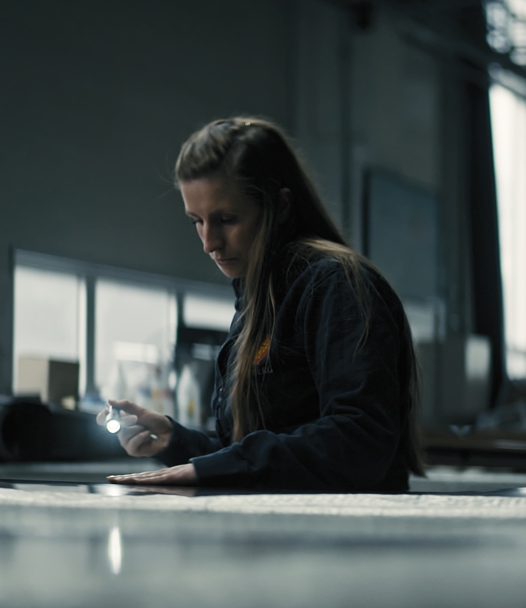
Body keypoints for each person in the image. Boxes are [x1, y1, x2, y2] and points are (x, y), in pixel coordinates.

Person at [100, 117, 424, 491]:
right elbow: (255, 455)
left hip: (345, 537)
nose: (209, 243)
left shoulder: (336, 284)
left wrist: (213, 468)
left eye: (226, 219)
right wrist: (175, 442)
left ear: (281, 206)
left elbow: (359, 438)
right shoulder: (258, 300)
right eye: (197, 221)